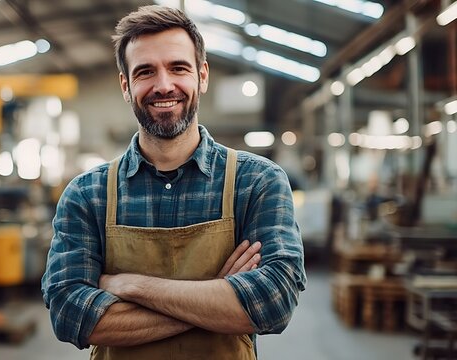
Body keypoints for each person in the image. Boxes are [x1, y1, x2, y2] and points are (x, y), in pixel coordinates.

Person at [41, 5, 306, 359]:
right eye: (145, 72)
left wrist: (131, 286)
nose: (163, 85)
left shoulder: (257, 181)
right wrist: (217, 296)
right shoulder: (87, 195)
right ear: (125, 85)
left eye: (178, 68)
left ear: (202, 76)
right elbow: (70, 315)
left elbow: (274, 302)